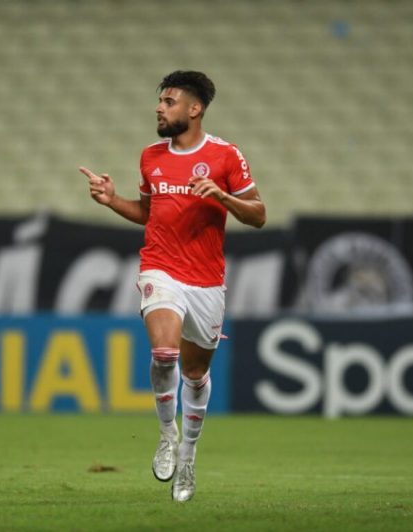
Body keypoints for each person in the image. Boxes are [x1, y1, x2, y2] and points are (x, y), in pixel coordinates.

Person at [79, 70, 266, 502]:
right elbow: (148, 213)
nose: (159, 108)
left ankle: (187, 456)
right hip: (160, 268)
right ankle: (167, 434)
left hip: (206, 282)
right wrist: (112, 201)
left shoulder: (226, 156)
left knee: (197, 374)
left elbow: (258, 215)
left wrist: (222, 197)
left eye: (169, 101)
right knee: (164, 352)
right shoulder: (150, 156)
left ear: (194, 109)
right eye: (160, 101)